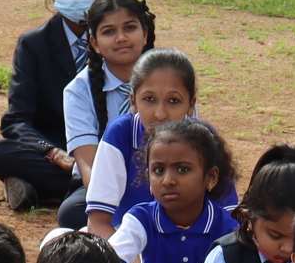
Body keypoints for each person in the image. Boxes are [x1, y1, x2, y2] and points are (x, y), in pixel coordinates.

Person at [0, 0, 107, 214]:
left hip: (108, 147)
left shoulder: (116, 36)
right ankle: (87, 187)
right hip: (58, 151)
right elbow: (16, 121)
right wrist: (52, 152)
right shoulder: (33, 45)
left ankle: (47, 190)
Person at [80, 49, 211, 241]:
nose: (160, 114)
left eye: (173, 101)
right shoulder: (120, 134)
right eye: (149, 99)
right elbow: (98, 222)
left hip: (193, 249)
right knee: (58, 239)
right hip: (126, 247)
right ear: (133, 100)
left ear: (191, 105)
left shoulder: (205, 141)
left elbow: (229, 219)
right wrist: (132, 259)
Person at [59, 0, 156, 228]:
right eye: (109, 31)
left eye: (130, 28)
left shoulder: (172, 77)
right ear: (94, 43)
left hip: (165, 179)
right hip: (105, 186)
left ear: (145, 33)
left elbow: (191, 142)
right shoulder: (78, 90)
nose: (121, 38)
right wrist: (116, 206)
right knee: (72, 213)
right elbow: (88, 166)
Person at [109, 118, 241, 263]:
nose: (167, 181)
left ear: (211, 177)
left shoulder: (227, 229)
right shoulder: (141, 219)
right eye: (158, 170)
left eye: (182, 169)